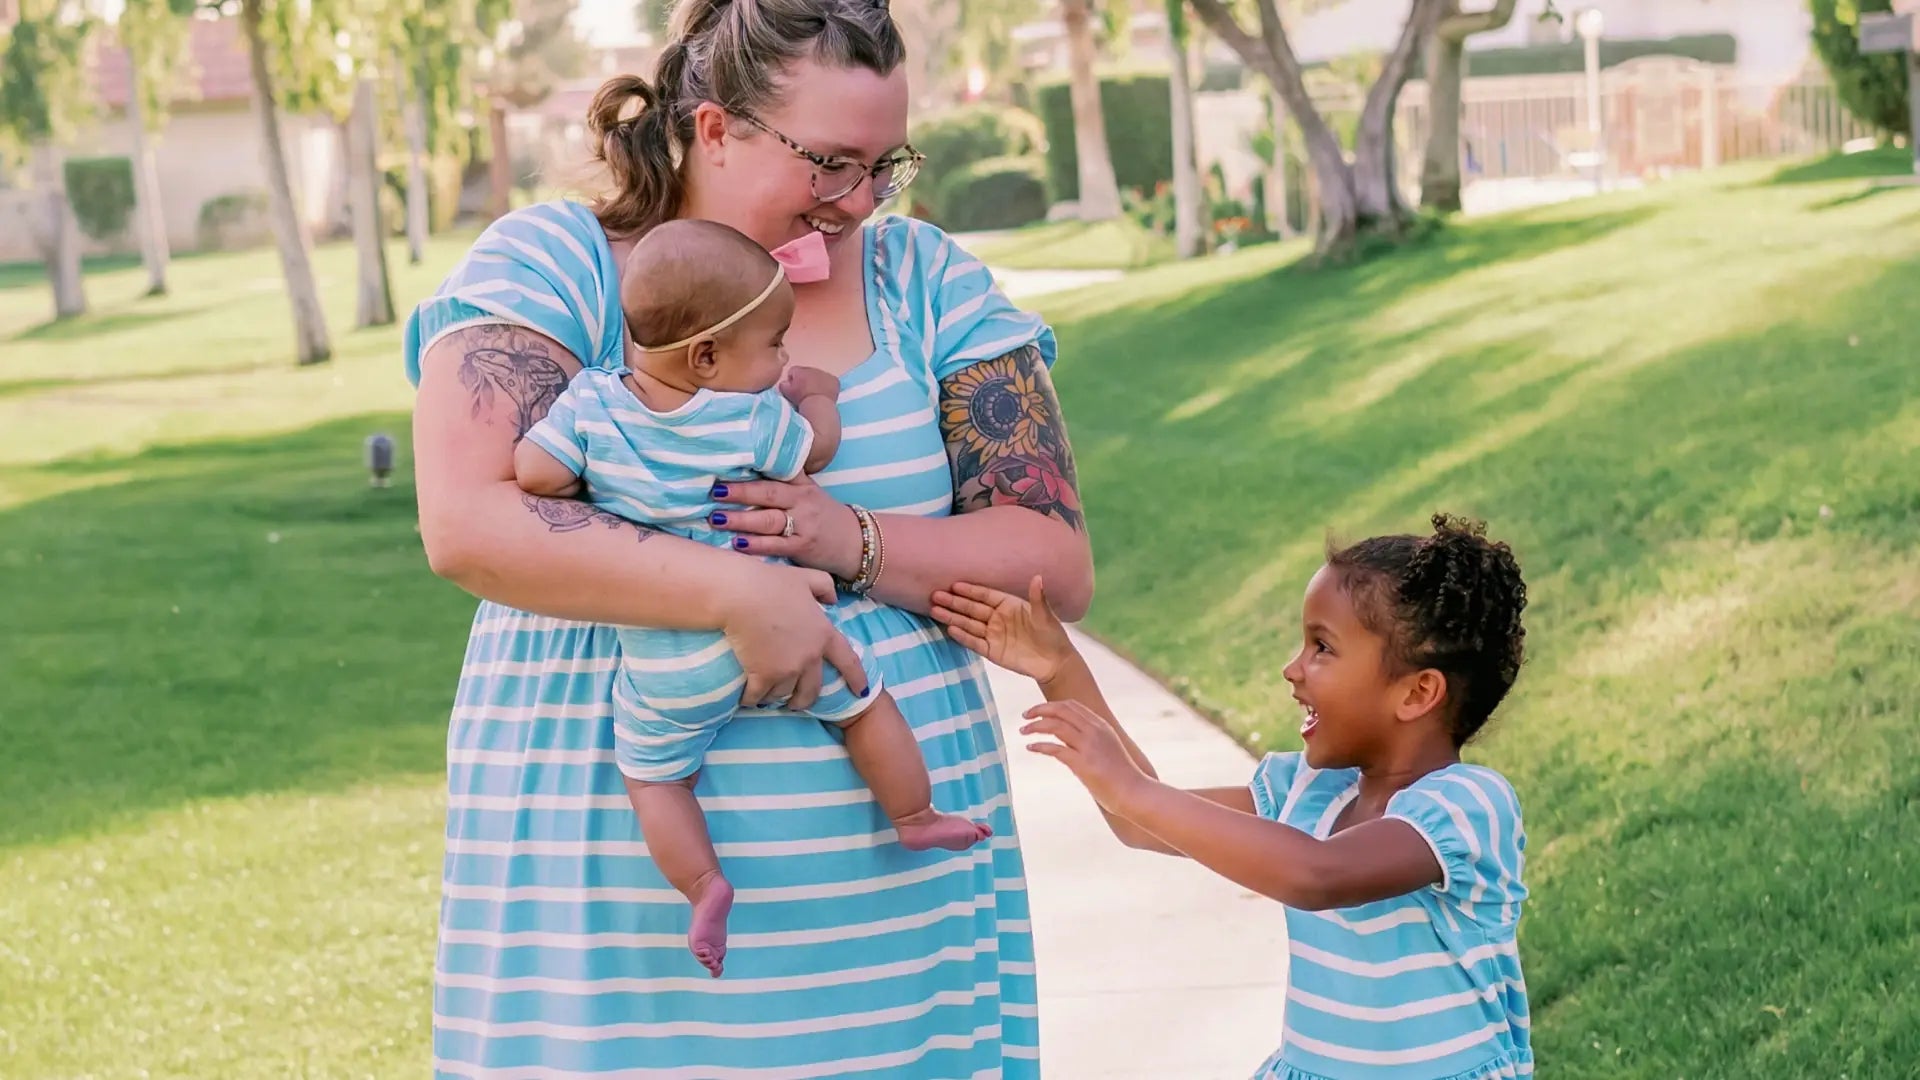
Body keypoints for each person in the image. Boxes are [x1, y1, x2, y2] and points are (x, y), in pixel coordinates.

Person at [403, 0, 1092, 1072]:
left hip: (891, 946)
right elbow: (471, 523)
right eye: (829, 164)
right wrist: (741, 594)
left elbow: (1051, 555)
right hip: (614, 948)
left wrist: (842, 537)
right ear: (716, 129)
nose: (858, 202)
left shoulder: (927, 283)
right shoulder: (562, 268)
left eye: (884, 166)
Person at [513, 218, 992, 979]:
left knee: (654, 777)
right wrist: (820, 395)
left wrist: (588, 472)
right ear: (706, 356)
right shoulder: (754, 416)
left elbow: (534, 477)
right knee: (866, 706)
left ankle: (703, 885)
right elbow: (818, 451)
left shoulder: (593, 406)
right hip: (791, 627)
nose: (784, 361)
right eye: (773, 346)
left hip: (669, 659)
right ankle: (915, 816)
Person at [932, 515, 1532, 1080]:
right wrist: (1060, 667)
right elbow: (1144, 821)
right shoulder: (1306, 790)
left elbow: (1318, 875)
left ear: (1417, 692)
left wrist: (1134, 790)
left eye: (1322, 648)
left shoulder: (1467, 806)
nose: (1291, 669)